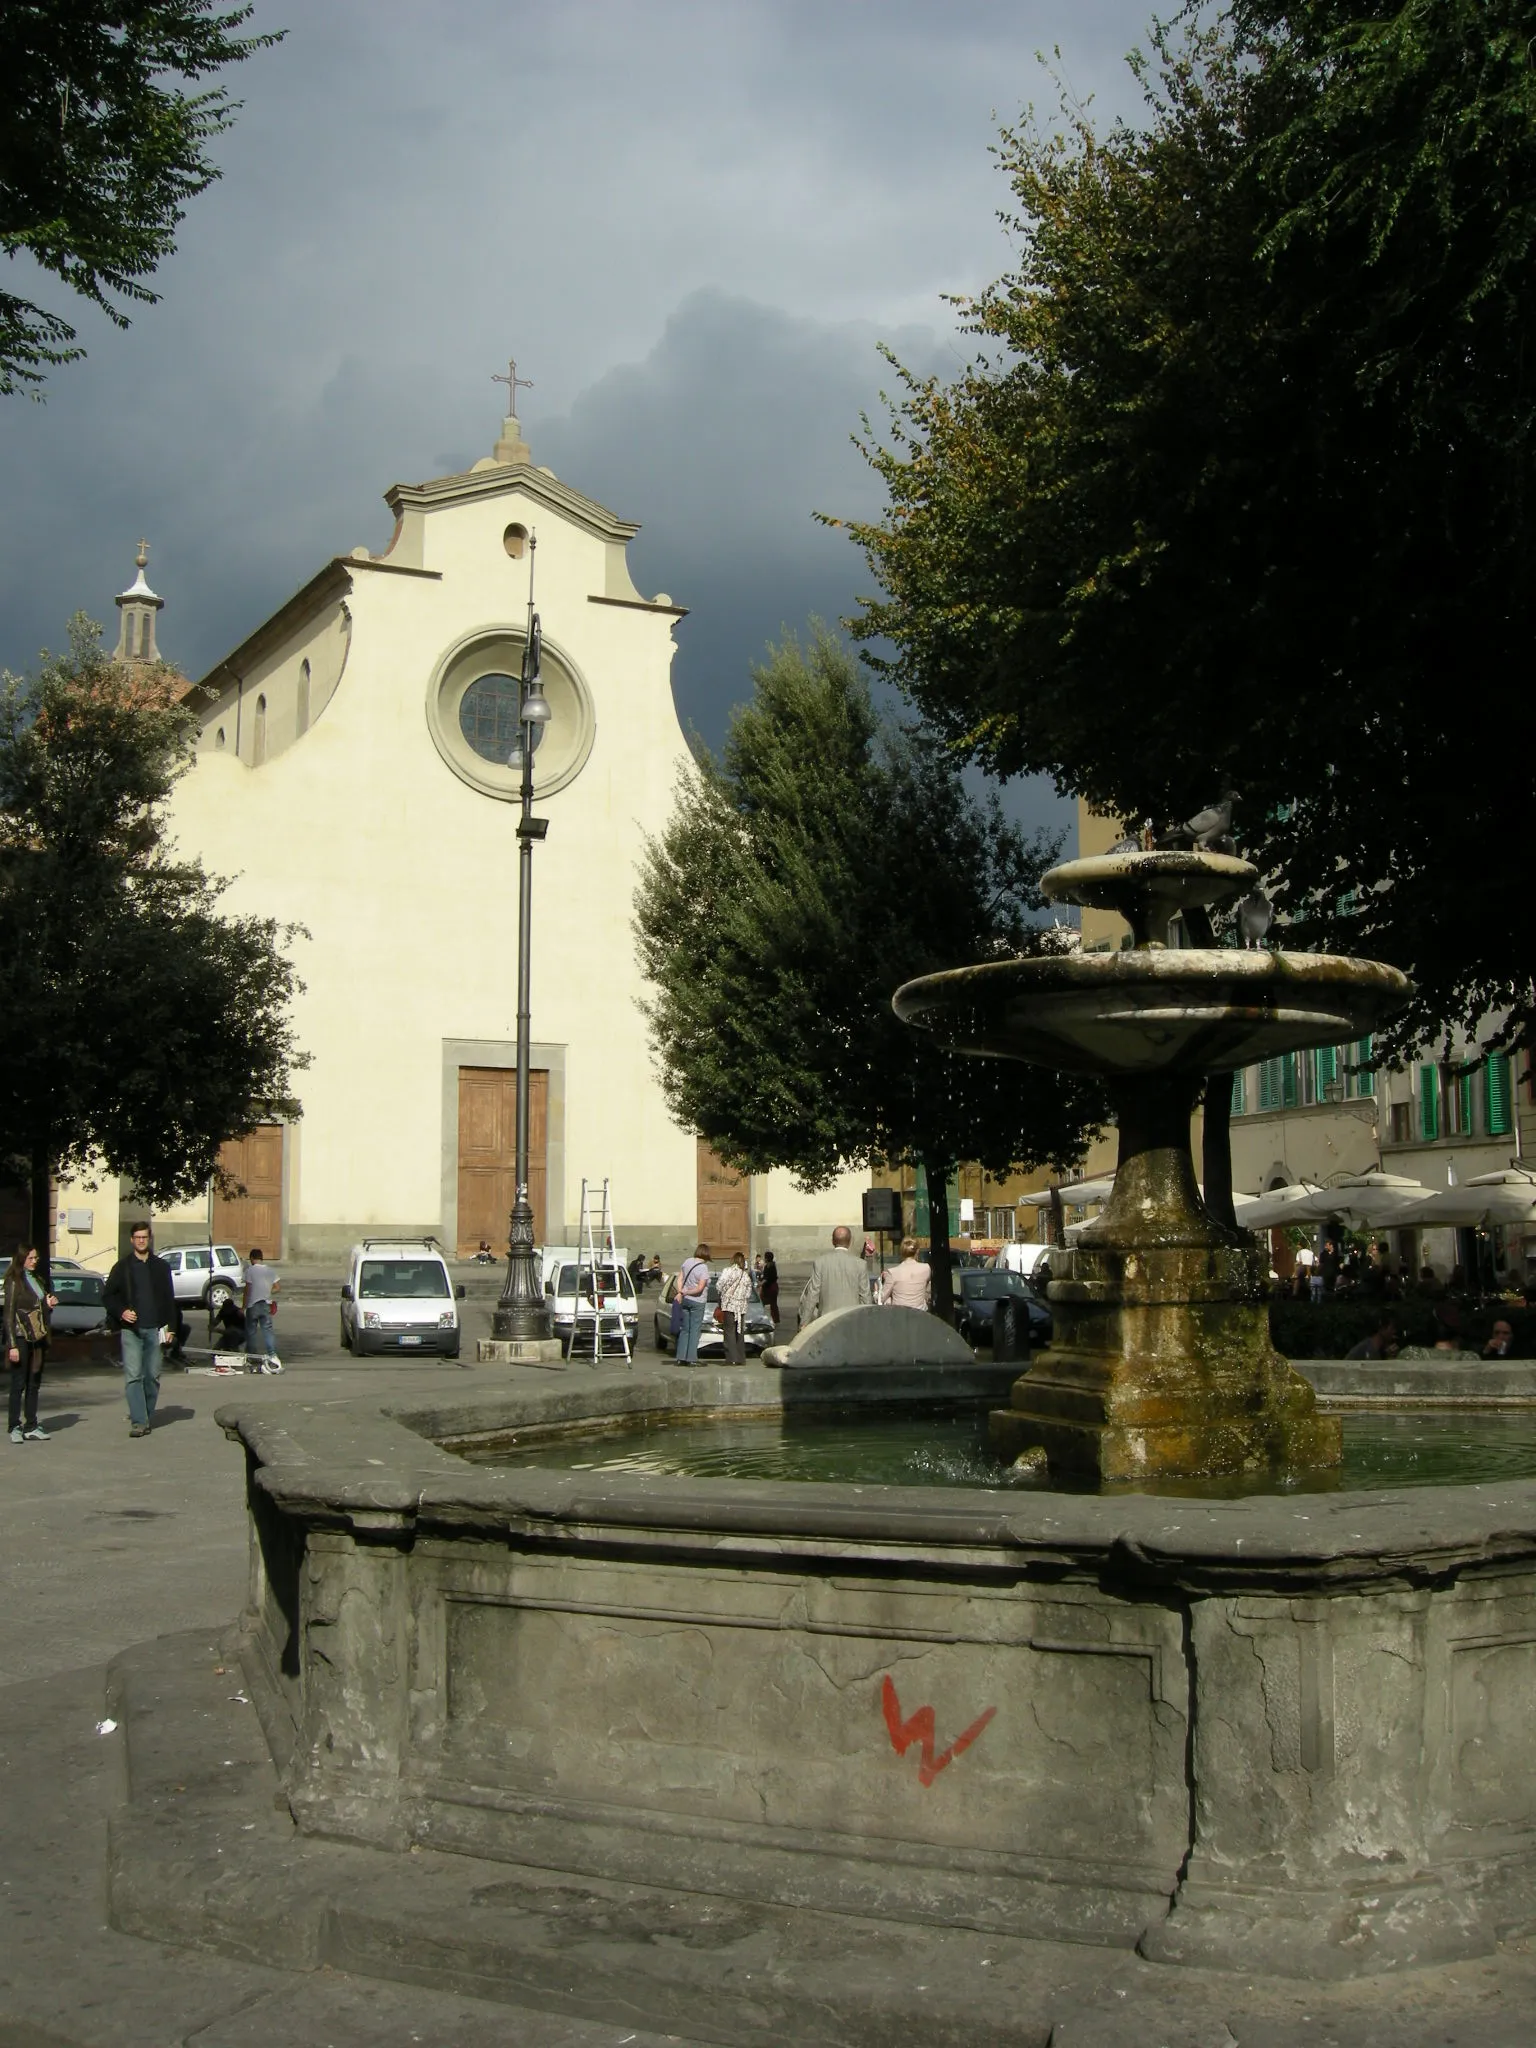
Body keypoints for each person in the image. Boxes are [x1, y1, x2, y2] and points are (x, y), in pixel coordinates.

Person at [104, 1224, 177, 1437]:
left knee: (152, 1376)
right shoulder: (122, 1267)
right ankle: (139, 1422)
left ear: (150, 1239)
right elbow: (108, 1296)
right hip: (131, 1331)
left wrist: (171, 1328)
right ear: (131, 1240)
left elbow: (169, 1299)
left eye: (144, 1237)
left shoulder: (161, 1267)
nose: (141, 1241)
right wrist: (122, 1312)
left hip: (156, 1329)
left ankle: (145, 1413)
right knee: (133, 1376)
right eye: (137, 1237)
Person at [5, 1245, 58, 1444]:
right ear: (22, 1259)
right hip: (20, 1337)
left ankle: (31, 1425)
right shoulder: (14, 1281)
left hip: (38, 1337)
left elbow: (40, 1309)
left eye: (36, 1258)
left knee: (33, 1383)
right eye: (31, 1258)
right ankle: (14, 1426)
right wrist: (12, 1345)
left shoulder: (38, 1280)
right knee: (18, 1384)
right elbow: (8, 1315)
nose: (35, 1261)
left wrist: (49, 1304)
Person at [799, 1226, 869, 1324]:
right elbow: (865, 1297)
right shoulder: (860, 1264)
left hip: (826, 1321)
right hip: (852, 1320)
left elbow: (813, 1294)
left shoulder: (820, 1263)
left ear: (832, 1241)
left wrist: (804, 1322)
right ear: (850, 1242)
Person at [242, 1249, 281, 1370]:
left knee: (251, 1331)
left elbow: (247, 1289)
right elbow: (277, 1287)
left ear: (252, 1258)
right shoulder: (270, 1270)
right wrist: (268, 1291)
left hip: (253, 1304)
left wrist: (243, 1306)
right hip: (265, 1304)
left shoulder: (250, 1270)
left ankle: (252, 1356)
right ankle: (272, 1354)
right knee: (267, 1330)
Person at [674, 1243, 711, 1364]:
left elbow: (679, 1279)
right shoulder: (703, 1268)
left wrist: (681, 1292)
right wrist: (688, 1292)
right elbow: (700, 1288)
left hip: (685, 1300)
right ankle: (691, 1358)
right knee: (695, 1330)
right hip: (697, 1301)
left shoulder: (687, 1261)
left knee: (685, 1329)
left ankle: (681, 1357)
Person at [717, 1250, 753, 1365]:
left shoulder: (728, 1271)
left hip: (729, 1305)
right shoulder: (745, 1275)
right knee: (739, 1332)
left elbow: (719, 1285)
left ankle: (730, 1358)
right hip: (741, 1308)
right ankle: (740, 1358)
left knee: (729, 1332)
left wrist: (724, 1294)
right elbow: (748, 1293)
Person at [880, 1237, 932, 1311]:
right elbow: (929, 1288)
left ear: (901, 1252)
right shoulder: (926, 1268)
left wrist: (877, 1289)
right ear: (917, 1251)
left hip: (900, 1316)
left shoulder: (893, 1272)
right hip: (920, 1314)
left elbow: (880, 1299)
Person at [759, 1250, 780, 1327]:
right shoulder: (772, 1265)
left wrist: (760, 1284)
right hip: (773, 1287)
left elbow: (766, 1278)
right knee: (773, 1304)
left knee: (762, 1303)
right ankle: (776, 1319)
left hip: (769, 1288)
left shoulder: (768, 1267)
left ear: (767, 1258)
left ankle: (760, 1318)